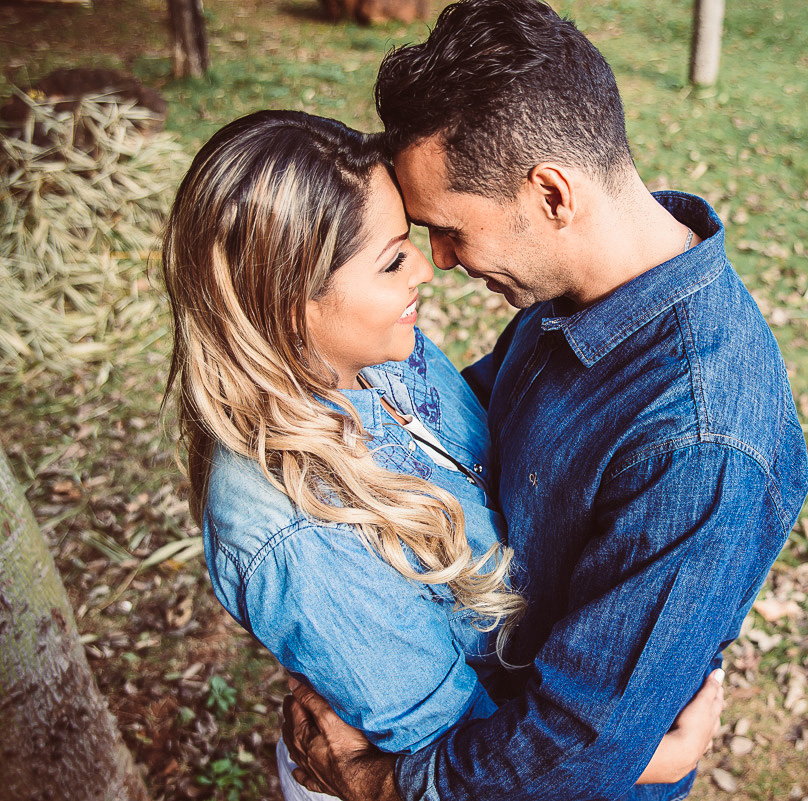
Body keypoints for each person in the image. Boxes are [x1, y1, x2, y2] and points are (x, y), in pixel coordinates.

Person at [283, 1, 808, 799]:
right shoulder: (578, 287)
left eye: (451, 229)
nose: (441, 259)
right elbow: (475, 432)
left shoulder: (700, 444)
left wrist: (378, 784)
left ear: (553, 195)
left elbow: (575, 746)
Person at [160, 110, 723, 801]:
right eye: (394, 257)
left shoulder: (372, 354)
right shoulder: (296, 534)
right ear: (288, 302)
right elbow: (450, 751)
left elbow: (478, 446)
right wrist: (653, 757)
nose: (428, 267)